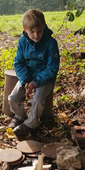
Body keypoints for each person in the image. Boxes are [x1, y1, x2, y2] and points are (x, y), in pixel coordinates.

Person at [8, 9, 60, 138]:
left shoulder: (51, 43)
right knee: (13, 97)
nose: (36, 35)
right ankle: (20, 116)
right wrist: (25, 81)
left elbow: (52, 68)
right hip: (27, 76)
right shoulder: (22, 42)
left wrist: (35, 83)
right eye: (32, 32)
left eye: (39, 31)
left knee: (37, 99)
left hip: (44, 78)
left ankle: (31, 124)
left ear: (44, 26)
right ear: (25, 29)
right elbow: (18, 63)